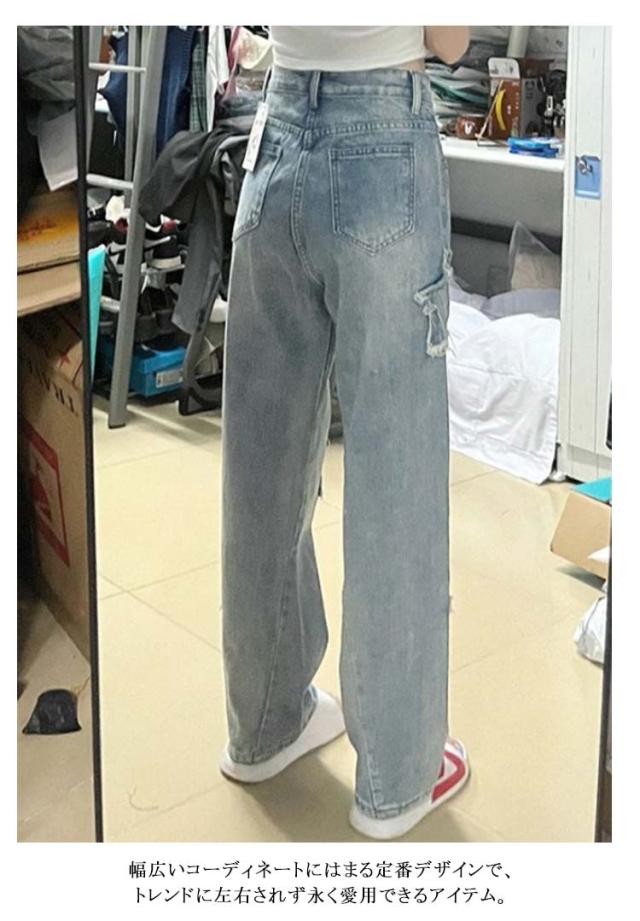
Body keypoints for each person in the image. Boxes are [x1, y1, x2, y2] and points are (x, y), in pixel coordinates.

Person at [219, 25, 471, 840]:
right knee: (396, 472)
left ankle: (263, 724)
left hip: (276, 129)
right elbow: (451, 42)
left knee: (262, 460)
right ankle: (397, 776)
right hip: (383, 134)